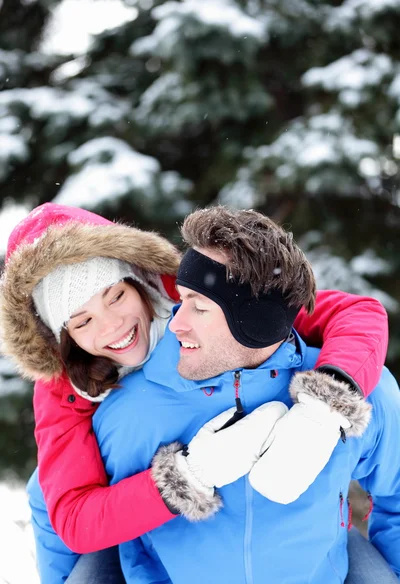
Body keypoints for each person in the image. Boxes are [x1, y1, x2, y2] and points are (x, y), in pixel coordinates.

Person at [0, 203, 389, 583]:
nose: (111, 326)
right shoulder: (73, 395)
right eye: (82, 322)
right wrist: (188, 474)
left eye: (115, 297)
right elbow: (62, 512)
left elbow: (348, 315)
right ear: (60, 340)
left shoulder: (200, 293)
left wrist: (324, 407)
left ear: (138, 281)